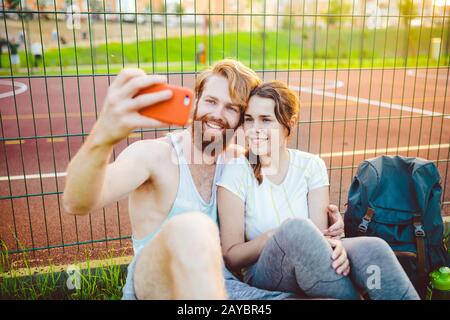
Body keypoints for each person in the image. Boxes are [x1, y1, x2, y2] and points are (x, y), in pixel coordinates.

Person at [62, 59, 344, 300]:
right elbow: (77, 202)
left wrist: (327, 226)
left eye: (232, 108)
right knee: (194, 229)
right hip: (158, 283)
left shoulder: (239, 163)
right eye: (211, 101)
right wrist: (103, 137)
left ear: (242, 120)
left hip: (224, 287)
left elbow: (286, 194)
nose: (218, 115)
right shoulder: (153, 156)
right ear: (196, 101)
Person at [217, 81, 420, 300]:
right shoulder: (236, 171)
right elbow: (232, 256)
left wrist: (336, 246)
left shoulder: (311, 165)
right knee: (296, 230)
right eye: (249, 119)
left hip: (314, 263)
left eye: (266, 120)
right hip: (263, 272)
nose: (254, 129)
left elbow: (321, 238)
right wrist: (274, 236)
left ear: (290, 123)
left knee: (373, 249)